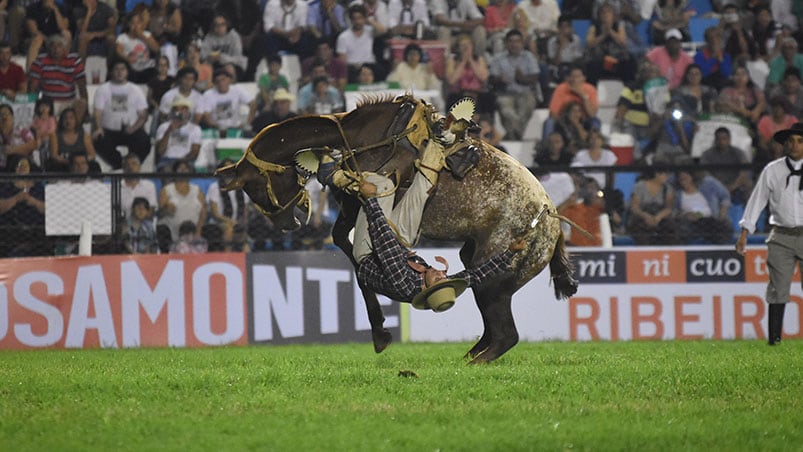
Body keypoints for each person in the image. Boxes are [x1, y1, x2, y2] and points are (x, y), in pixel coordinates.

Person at [346, 170, 526, 311]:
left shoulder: (402, 282)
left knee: (383, 185)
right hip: (396, 245)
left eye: (439, 279)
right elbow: (478, 275)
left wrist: (370, 200)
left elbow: (383, 239)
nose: (442, 274)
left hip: (368, 250)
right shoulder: (436, 280)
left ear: (425, 289)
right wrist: (510, 252)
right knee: (423, 184)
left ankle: (335, 173)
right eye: (445, 278)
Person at [737, 122, 803, 345]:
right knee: (777, 288)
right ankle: (774, 339)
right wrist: (746, 231)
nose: (795, 145)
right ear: (785, 144)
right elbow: (758, 201)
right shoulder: (772, 170)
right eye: (791, 140)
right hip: (780, 235)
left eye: (800, 141)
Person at [91, 59, 151, 170]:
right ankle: (120, 165)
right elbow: (97, 112)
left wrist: (133, 128)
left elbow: (143, 115)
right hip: (109, 131)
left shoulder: (135, 89)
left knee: (145, 141)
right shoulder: (103, 89)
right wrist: (99, 128)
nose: (119, 72)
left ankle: (133, 165)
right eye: (116, 69)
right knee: (99, 140)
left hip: (131, 129)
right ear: (111, 72)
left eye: (122, 69)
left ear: (127, 72)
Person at [488, 29, 540, 141]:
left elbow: (535, 77)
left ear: (522, 43)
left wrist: (523, 79)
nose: (514, 44)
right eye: (511, 41)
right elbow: (491, 78)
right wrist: (499, 79)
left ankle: (512, 135)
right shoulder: (498, 58)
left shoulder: (528, 56)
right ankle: (517, 134)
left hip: (525, 92)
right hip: (505, 93)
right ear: (506, 43)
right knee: (507, 111)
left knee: (528, 105)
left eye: (517, 41)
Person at [28, 34, 89, 124]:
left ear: (65, 48)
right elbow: (33, 86)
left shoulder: (74, 59)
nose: (56, 49)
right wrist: (32, 105)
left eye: (59, 46)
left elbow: (82, 86)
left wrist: (86, 109)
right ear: (49, 48)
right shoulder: (41, 60)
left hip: (69, 101)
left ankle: (76, 131)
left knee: (82, 104)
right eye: (53, 46)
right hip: (49, 102)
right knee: (43, 108)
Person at [0, 155, 45, 257]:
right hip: (11, 232)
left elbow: (49, 209)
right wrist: (16, 199)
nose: (22, 168)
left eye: (25, 165)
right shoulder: (5, 187)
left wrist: (34, 202)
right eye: (20, 165)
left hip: (36, 231)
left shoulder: (38, 187)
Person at [675, 168, 733, 244]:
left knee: (722, 226)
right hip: (690, 224)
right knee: (681, 228)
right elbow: (676, 211)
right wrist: (685, 215)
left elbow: (724, 197)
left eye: (685, 177)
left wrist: (723, 210)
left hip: (709, 220)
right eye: (681, 179)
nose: (684, 181)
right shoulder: (679, 195)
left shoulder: (707, 185)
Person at [157, 160, 207, 247]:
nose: (183, 171)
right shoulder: (167, 190)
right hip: (172, 232)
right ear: (175, 172)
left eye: (186, 169)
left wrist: (198, 231)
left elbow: (204, 213)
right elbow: (160, 213)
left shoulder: (197, 190)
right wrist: (167, 209)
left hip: (194, 231)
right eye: (180, 169)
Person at [699, 126, 754, 205]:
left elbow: (744, 171)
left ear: (729, 139)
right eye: (719, 139)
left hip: (735, 184)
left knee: (748, 182)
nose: (721, 142)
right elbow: (704, 173)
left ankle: (749, 212)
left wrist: (733, 186)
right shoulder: (707, 154)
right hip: (716, 185)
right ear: (715, 140)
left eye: (724, 138)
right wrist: (720, 187)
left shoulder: (738, 152)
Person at [444, 33, 494, 115]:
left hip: (476, 93)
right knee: (453, 99)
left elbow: (483, 78)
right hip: (459, 94)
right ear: (458, 48)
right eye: (463, 45)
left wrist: (470, 60)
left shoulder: (479, 59)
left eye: (468, 44)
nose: (466, 47)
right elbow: (451, 81)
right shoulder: (452, 60)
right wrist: (463, 61)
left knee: (489, 98)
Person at [198, 67, 256, 136]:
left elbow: (253, 104)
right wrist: (216, 125)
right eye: (218, 81)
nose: (221, 83)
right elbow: (206, 115)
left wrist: (247, 123)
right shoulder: (208, 94)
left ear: (229, 80)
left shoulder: (237, 90)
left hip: (235, 128)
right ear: (214, 83)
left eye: (223, 80)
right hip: (216, 129)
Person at [207, 159, 249, 252]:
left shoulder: (242, 187)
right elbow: (215, 213)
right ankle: (228, 256)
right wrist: (230, 221)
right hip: (220, 222)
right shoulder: (215, 187)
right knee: (229, 230)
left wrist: (242, 224)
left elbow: (245, 211)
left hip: (238, 221)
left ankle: (247, 259)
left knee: (243, 236)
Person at [627, 167, 678, 245]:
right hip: (642, 219)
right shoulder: (640, 186)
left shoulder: (668, 188)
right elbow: (635, 207)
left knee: (670, 232)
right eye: (665, 174)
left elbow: (669, 208)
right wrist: (646, 216)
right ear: (657, 174)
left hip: (661, 219)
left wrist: (658, 218)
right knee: (642, 235)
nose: (667, 177)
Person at [155, 96, 202, 170]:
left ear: (187, 111)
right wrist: (169, 130)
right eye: (177, 109)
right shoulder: (163, 127)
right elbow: (160, 151)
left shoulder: (195, 129)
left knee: (183, 170)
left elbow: (194, 152)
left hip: (186, 161)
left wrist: (180, 163)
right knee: (166, 170)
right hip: (167, 161)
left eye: (183, 109)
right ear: (173, 111)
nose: (180, 112)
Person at [115, 6, 160, 84]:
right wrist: (127, 58)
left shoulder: (147, 35)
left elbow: (156, 48)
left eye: (138, 22)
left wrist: (141, 36)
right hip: (131, 67)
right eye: (133, 23)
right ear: (128, 24)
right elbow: (119, 51)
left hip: (147, 67)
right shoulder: (122, 37)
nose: (135, 25)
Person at [24, 0, 72, 70]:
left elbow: (63, 27)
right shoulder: (32, 7)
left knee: (67, 34)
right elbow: (33, 30)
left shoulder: (61, 7)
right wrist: (47, 40)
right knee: (37, 39)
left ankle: (66, 69)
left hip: (55, 38)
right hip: (39, 39)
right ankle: (30, 74)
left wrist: (56, 10)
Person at [48, 107, 98, 173]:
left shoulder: (85, 136)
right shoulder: (55, 136)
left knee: (95, 166)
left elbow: (92, 155)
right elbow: (54, 155)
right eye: (65, 118)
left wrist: (81, 162)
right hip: (62, 164)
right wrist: (70, 162)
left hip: (82, 163)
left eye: (71, 118)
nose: (68, 121)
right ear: (61, 121)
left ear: (76, 120)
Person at [201, 13, 248, 81]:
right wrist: (209, 58)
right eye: (216, 25)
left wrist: (223, 58)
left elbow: (238, 56)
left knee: (229, 68)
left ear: (227, 25)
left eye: (222, 24)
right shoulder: (209, 37)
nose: (219, 28)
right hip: (215, 66)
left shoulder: (233, 36)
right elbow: (203, 56)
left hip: (233, 64)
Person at [694, 26, 733, 91]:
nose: (714, 41)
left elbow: (727, 74)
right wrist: (713, 56)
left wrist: (720, 59)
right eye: (711, 38)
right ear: (706, 40)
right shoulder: (699, 55)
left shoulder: (726, 56)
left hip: (722, 84)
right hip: (706, 83)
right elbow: (703, 73)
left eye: (717, 37)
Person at [0, 103, 37, 171]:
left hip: (22, 164)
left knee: (17, 159)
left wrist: (13, 150)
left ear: (12, 117)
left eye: (6, 114)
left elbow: (33, 144)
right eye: (1, 115)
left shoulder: (21, 130)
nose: (4, 117)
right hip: (3, 167)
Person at [120, 152, 157, 221]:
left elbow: (151, 210)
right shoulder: (116, 187)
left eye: (133, 164)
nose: (130, 167)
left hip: (144, 225)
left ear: (139, 167)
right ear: (123, 169)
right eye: (127, 165)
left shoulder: (149, 186)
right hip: (123, 226)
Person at [146, 55, 174, 135]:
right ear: (157, 66)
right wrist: (157, 106)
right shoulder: (153, 81)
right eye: (160, 65)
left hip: (169, 106)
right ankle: (153, 135)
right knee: (157, 113)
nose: (162, 68)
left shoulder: (172, 80)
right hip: (156, 106)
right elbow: (149, 97)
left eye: (165, 65)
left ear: (168, 66)